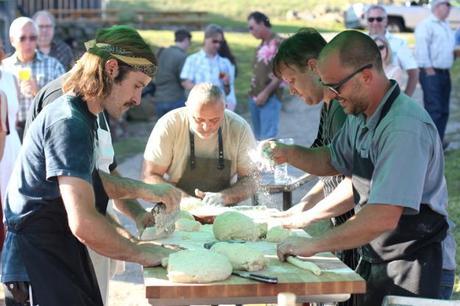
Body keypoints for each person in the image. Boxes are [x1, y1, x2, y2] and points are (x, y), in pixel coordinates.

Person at [266, 30, 452, 305]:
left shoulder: (403, 129)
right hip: (378, 256)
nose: (332, 95)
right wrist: (289, 153)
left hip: (416, 264)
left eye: (336, 87)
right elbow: (332, 160)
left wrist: (313, 244)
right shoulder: (360, 114)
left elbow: (383, 215)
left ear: (366, 76)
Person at [1, 25, 180, 306]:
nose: (137, 99)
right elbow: (83, 222)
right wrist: (143, 253)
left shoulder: (87, 116)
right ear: (111, 69)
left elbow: (97, 182)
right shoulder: (68, 121)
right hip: (38, 259)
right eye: (136, 86)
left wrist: (133, 228)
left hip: (60, 251)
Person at [270, 28, 358, 306]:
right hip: (344, 235)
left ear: (312, 66)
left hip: (361, 232)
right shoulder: (328, 108)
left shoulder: (346, 110)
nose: (291, 90)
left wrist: (306, 219)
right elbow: (331, 170)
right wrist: (301, 208)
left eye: (292, 80)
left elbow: (356, 181)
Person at [143, 83, 257, 207]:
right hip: (177, 206)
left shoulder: (239, 128)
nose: (206, 127)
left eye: (214, 120)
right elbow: (150, 175)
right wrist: (185, 200)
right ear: (187, 107)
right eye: (198, 120)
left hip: (223, 207)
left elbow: (251, 179)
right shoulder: (169, 124)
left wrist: (225, 197)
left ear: (225, 108)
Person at [1, 17, 65, 140]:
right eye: (22, 38)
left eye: (32, 38)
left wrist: (38, 92)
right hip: (12, 133)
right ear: (12, 40)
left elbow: (64, 103)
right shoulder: (4, 68)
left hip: (44, 130)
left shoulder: (53, 66)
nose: (28, 43)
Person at [415, 0, 456, 144]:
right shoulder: (426, 25)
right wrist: (428, 69)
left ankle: (439, 141)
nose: (450, 8)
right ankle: (431, 146)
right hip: (431, 73)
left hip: (444, 72)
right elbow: (421, 49)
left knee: (444, 110)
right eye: (447, 5)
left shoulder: (445, 25)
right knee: (435, 110)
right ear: (438, 6)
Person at [366, 5, 419, 96]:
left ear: (386, 21)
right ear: (367, 21)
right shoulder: (360, 41)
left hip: (389, 98)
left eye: (379, 19)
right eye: (371, 19)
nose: (375, 22)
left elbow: (413, 72)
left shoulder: (399, 44)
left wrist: (406, 98)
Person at [180, 24, 235, 110]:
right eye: (214, 41)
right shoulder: (192, 60)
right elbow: (185, 83)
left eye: (220, 42)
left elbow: (228, 92)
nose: (217, 45)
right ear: (206, 39)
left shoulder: (224, 63)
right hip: (199, 107)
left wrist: (227, 84)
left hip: (219, 109)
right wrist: (205, 92)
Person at [247, 11, 283, 140]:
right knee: (257, 139)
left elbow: (282, 72)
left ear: (262, 23)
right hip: (254, 97)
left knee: (267, 140)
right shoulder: (261, 45)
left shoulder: (278, 43)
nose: (250, 31)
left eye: (251, 27)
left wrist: (266, 93)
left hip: (270, 98)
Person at [0, 38, 21, 251]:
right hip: (0, 145)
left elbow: (17, 117)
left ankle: (11, 251)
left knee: (13, 201)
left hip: (13, 143)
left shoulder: (11, 78)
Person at [153, 28, 191, 118]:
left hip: (159, 99)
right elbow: (183, 80)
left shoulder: (161, 52)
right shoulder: (182, 56)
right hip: (176, 100)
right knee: (178, 131)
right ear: (186, 40)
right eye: (189, 43)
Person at [217, 35, 238, 111]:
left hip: (225, 98)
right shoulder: (230, 61)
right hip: (231, 98)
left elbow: (220, 77)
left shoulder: (223, 63)